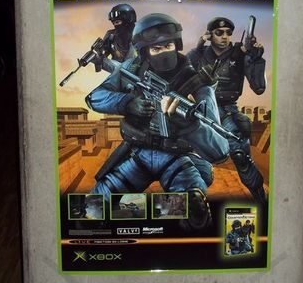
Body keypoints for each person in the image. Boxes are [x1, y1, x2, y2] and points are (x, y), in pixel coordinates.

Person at [85, 13, 229, 230]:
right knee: (91, 210)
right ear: (145, 52)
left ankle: (154, 218)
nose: (164, 53)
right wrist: (128, 103)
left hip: (177, 157)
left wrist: (191, 126)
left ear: (177, 44)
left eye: (168, 45)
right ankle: (148, 215)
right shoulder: (132, 69)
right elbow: (94, 97)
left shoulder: (197, 83)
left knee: (196, 212)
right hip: (138, 154)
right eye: (156, 48)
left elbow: (220, 150)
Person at [187, 17, 267, 203]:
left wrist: (256, 59)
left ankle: (261, 199)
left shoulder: (239, 54)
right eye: (219, 33)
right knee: (187, 157)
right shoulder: (198, 54)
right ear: (209, 35)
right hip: (201, 109)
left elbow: (259, 87)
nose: (225, 37)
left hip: (227, 109)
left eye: (228, 33)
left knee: (240, 155)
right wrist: (198, 48)